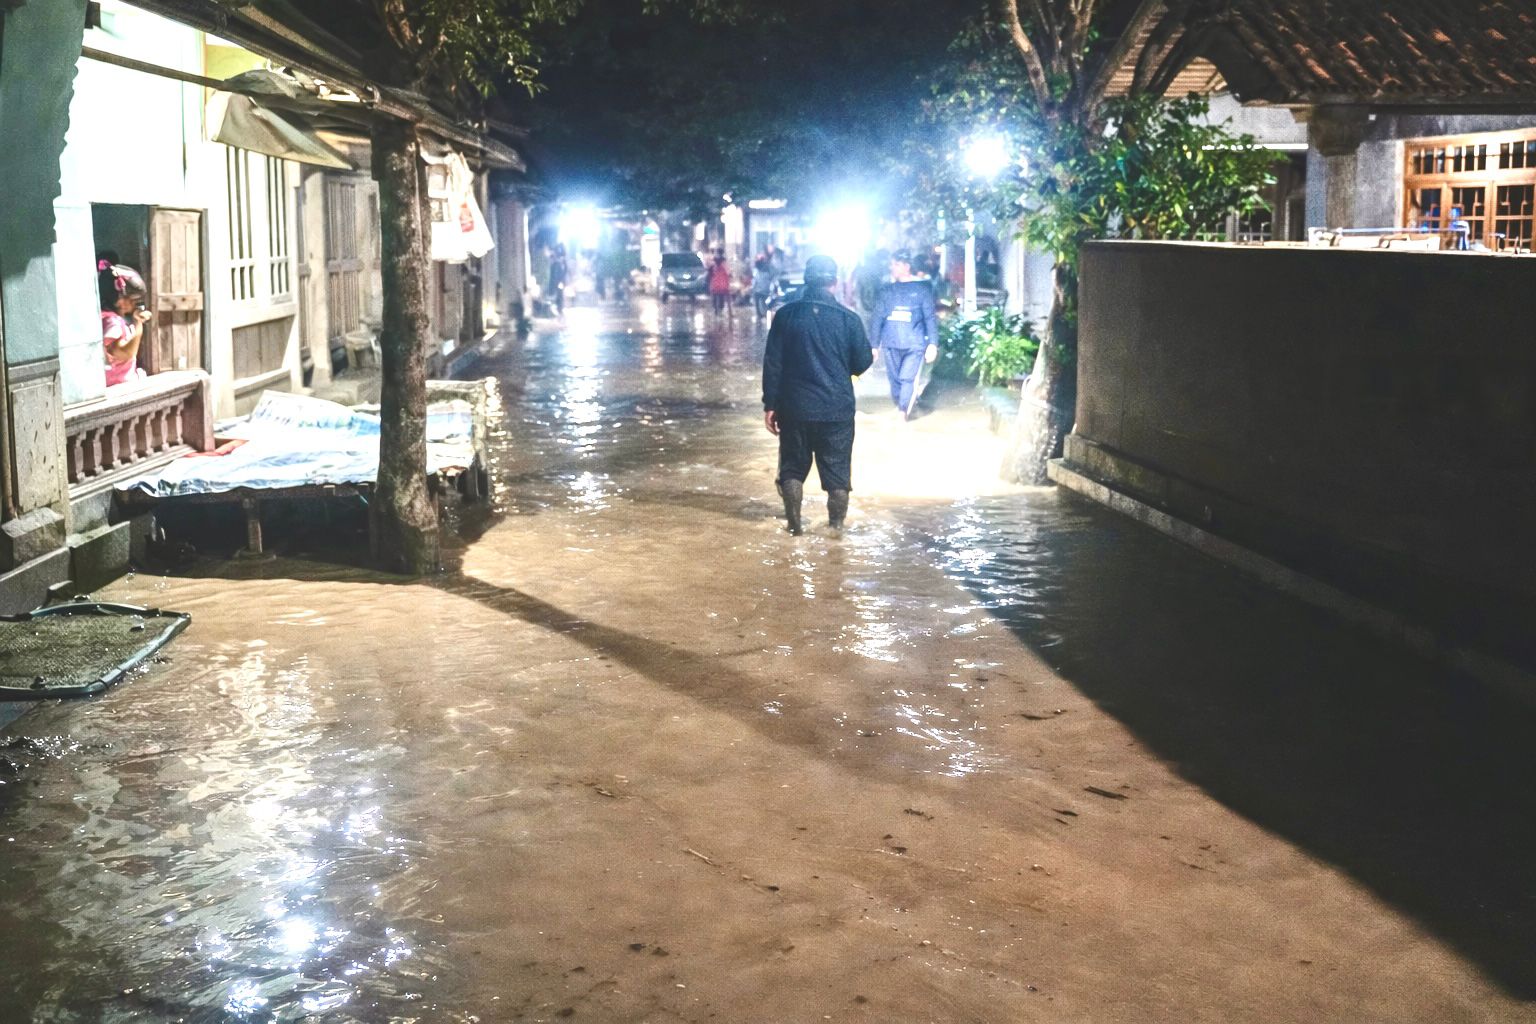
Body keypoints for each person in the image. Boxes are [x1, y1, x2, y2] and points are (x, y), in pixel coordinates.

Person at [761, 254, 873, 535]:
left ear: (806, 280)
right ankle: (835, 532)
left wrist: (770, 404)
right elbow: (863, 361)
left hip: (794, 408)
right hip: (837, 410)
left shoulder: (785, 316)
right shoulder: (849, 319)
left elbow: (773, 363)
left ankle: (794, 529)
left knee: (792, 469)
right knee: (837, 476)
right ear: (834, 282)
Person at [868, 250, 937, 413]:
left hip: (914, 344)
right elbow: (877, 318)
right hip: (891, 343)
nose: (892, 268)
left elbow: (930, 319)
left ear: (907, 267)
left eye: (896, 264)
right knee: (895, 380)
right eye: (892, 264)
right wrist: (874, 345)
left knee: (907, 379)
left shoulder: (922, 290)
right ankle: (902, 406)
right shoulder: (886, 291)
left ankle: (902, 413)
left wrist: (933, 344)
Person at [98, 258, 151, 387]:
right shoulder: (112, 321)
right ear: (119, 299)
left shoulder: (117, 320)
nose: (134, 304)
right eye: (131, 299)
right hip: (117, 388)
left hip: (122, 384)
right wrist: (139, 325)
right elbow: (123, 353)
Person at [707, 251, 733, 316]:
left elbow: (709, 276)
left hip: (715, 287)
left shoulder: (712, 267)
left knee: (714, 299)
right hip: (723, 287)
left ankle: (716, 311)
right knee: (721, 299)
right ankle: (720, 311)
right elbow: (729, 274)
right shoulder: (725, 267)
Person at [547, 245, 568, 314]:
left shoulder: (557, 264)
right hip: (558, 282)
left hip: (559, 282)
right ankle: (559, 308)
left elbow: (561, 273)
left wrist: (559, 282)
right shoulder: (556, 264)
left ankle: (559, 308)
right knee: (559, 295)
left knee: (559, 295)